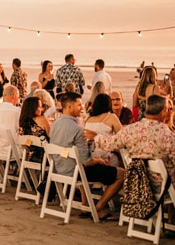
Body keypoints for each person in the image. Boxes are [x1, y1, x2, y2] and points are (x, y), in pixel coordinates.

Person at [51, 91, 124, 221]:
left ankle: (85, 206)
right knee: (122, 174)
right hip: (76, 172)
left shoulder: (54, 124)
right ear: (69, 107)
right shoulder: (78, 129)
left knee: (86, 166)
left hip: (59, 168)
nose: (82, 108)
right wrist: (98, 160)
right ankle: (98, 208)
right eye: (79, 105)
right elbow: (86, 161)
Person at [92, 94, 175, 184]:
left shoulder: (130, 130)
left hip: (139, 183)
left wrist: (96, 137)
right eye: (168, 110)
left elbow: (108, 144)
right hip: (164, 186)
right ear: (163, 112)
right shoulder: (168, 136)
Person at [84, 93, 122, 167]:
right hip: (105, 158)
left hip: (90, 157)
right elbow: (122, 136)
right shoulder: (111, 117)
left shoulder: (88, 118)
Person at [18, 96, 50, 162]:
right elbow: (51, 136)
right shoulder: (42, 119)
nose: (42, 109)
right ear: (33, 108)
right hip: (44, 158)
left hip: (29, 158)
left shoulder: (22, 122)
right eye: (39, 107)